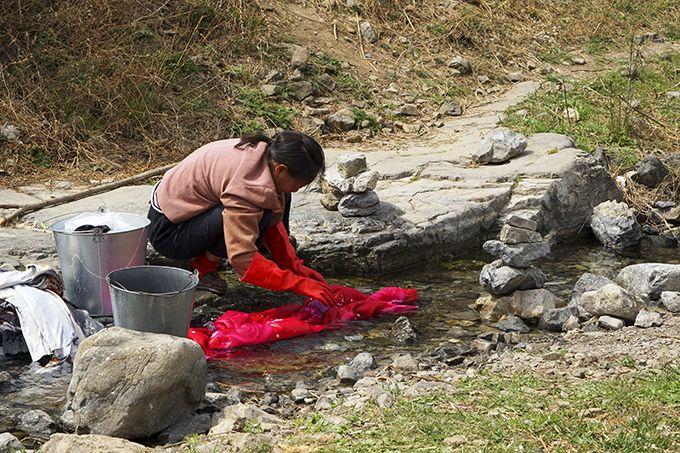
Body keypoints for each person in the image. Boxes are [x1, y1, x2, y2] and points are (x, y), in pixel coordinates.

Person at [147, 131, 337, 307]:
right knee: (262, 211)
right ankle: (203, 267)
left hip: (189, 213)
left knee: (279, 196)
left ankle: (263, 256)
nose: (297, 189)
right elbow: (242, 259)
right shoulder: (248, 187)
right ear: (280, 169)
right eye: (298, 184)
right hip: (170, 232)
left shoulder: (265, 153)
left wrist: (294, 267)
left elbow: (275, 223)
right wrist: (297, 283)